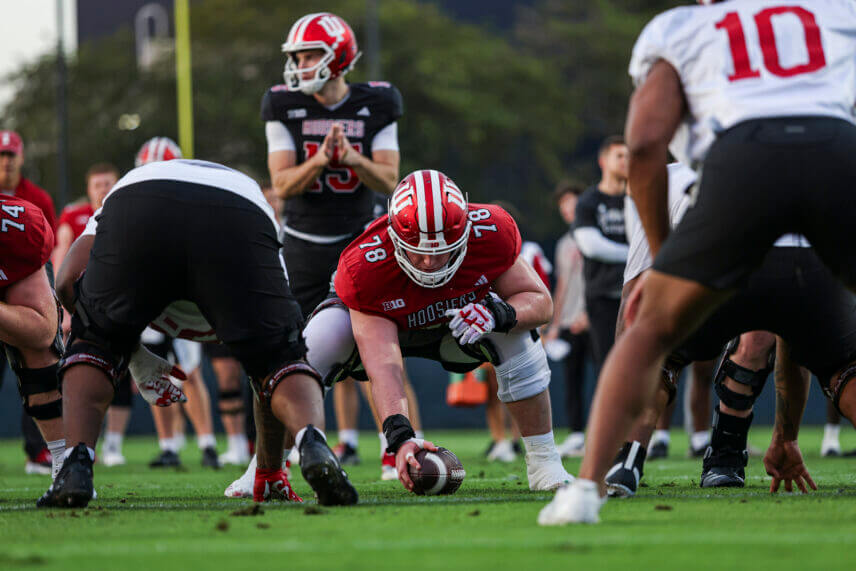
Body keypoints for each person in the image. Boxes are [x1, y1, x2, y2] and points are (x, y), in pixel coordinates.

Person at [539, 0, 856, 524]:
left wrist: (665, 262)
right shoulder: (836, 12)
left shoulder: (685, 27)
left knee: (648, 333)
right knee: (842, 361)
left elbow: (643, 144)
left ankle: (586, 491)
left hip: (743, 162)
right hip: (839, 154)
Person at [38, 159, 357, 508]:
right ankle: (311, 440)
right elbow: (277, 356)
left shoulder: (131, 191)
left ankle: (76, 463)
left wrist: (116, 344)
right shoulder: (254, 225)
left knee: (94, 338)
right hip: (239, 209)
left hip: (141, 198)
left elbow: (67, 279)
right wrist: (268, 472)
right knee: (279, 357)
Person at [303, 169, 573, 492]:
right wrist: (401, 439)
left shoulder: (491, 230)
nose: (429, 262)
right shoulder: (365, 263)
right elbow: (384, 367)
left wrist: (496, 313)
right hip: (384, 330)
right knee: (320, 337)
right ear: (394, 236)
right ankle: (267, 467)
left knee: (518, 331)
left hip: (457, 329)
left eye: (441, 249)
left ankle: (544, 460)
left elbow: (541, 302)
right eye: (418, 249)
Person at [262, 11, 421, 479]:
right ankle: (278, 458)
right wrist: (321, 161)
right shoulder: (282, 104)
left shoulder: (377, 102)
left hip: (361, 243)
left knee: (378, 352)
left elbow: (390, 177)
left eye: (310, 54)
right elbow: (281, 183)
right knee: (289, 350)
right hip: (304, 244)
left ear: (339, 58)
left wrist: (350, 157)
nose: (301, 64)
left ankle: (397, 447)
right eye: (298, 56)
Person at [0, 129, 58, 474]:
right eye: (1, 155)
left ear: (20, 158)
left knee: (39, 354)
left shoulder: (35, 201)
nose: (6, 162)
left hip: (22, 284)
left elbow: (44, 258)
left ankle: (43, 451)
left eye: (10, 155)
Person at [543, 183, 592, 458]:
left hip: (596, 319)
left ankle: (613, 433)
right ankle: (576, 436)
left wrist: (588, 313)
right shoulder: (563, 244)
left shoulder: (598, 235)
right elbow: (562, 286)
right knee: (573, 380)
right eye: (563, 206)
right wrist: (554, 325)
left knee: (609, 376)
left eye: (571, 204)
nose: (567, 210)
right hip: (570, 323)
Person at [572, 136, 628, 374]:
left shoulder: (639, 198)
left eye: (629, 156)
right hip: (602, 296)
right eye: (620, 156)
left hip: (636, 293)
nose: (626, 161)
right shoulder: (588, 201)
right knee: (608, 367)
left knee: (638, 366)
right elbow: (590, 246)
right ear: (603, 161)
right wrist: (635, 255)